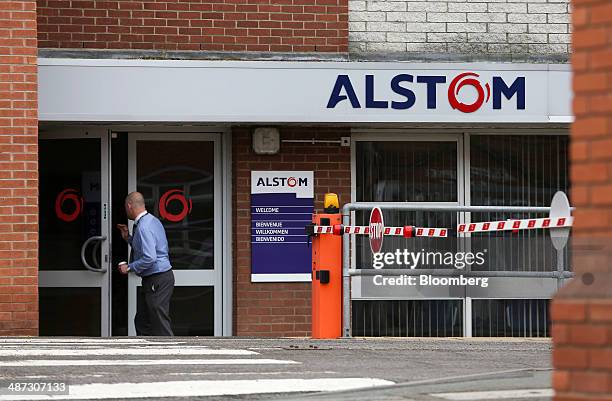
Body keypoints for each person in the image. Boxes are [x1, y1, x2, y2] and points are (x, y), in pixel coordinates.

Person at [116, 192, 175, 336]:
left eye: (125, 207)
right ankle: (148, 353)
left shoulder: (143, 227)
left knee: (158, 323)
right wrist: (128, 238)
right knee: (143, 321)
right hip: (157, 278)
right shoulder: (152, 221)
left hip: (157, 278)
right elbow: (147, 247)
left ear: (129, 206)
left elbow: (149, 257)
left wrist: (129, 267)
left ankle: (170, 353)